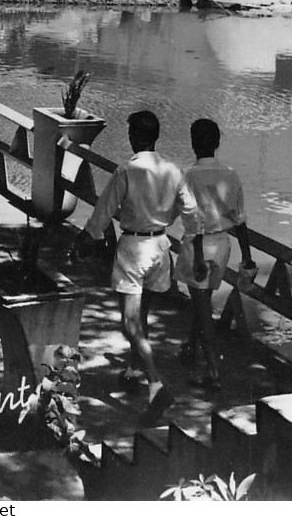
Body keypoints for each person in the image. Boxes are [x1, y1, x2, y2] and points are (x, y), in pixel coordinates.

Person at [76, 109, 206, 424]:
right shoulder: (173, 170)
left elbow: (103, 211)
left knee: (130, 323)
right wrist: (198, 256)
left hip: (134, 248)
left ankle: (155, 383)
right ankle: (135, 367)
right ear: (156, 137)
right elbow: (192, 217)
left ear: (134, 136)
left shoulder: (126, 171)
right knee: (143, 312)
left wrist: (85, 238)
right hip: (161, 247)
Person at [175, 118, 256, 390]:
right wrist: (247, 256)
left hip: (198, 246)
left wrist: (196, 256)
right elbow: (241, 219)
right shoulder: (231, 175)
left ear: (193, 142)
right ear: (217, 143)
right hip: (222, 245)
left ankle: (212, 370)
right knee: (203, 300)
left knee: (203, 306)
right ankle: (190, 346)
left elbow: (194, 221)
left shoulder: (187, 176)